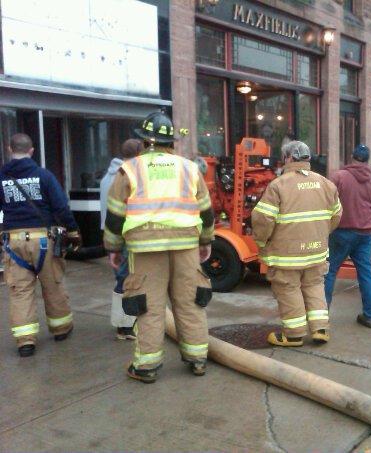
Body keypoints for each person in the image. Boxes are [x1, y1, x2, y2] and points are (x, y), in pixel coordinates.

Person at [103, 111, 215, 384]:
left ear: (143, 142)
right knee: (190, 301)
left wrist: (114, 248)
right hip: (186, 245)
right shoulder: (190, 168)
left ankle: (146, 367)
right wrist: (205, 240)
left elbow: (115, 215)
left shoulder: (129, 169)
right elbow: (207, 211)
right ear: (171, 143)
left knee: (148, 307)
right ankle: (197, 359)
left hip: (145, 249)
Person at [252, 141, 342, 347]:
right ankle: (320, 329)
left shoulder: (278, 185)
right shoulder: (325, 183)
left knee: (288, 288)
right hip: (317, 251)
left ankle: (293, 335)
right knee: (314, 285)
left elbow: (263, 220)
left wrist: (261, 241)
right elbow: (336, 215)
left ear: (288, 158)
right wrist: (320, 233)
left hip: (287, 254)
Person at [0, 133, 81, 357]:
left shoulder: (1, 177)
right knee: (52, 285)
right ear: (32, 151)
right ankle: (61, 328)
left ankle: (25, 341)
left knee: (20, 291)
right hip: (44, 240)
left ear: (9, 149)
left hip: (13, 241)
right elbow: (60, 207)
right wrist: (73, 231)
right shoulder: (43, 176)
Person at [324, 144, 371, 328]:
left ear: (351, 156)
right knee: (366, 273)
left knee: (329, 271)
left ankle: (321, 315)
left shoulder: (339, 177)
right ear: (368, 159)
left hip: (342, 231)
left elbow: (326, 200)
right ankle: (370, 315)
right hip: (366, 233)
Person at [100, 138, 143, 341]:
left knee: (121, 280)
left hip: (112, 234)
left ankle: (122, 324)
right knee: (127, 281)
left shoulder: (107, 176)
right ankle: (125, 327)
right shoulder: (126, 177)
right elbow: (119, 214)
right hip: (124, 236)